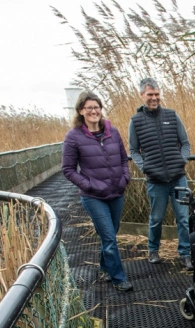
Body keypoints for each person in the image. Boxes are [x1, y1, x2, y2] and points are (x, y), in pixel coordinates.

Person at [62, 91, 133, 292]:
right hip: (94, 197)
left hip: (116, 192)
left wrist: (124, 178)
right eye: (89, 107)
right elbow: (67, 169)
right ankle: (119, 278)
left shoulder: (113, 132)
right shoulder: (74, 136)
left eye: (96, 107)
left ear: (101, 109)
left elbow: (122, 158)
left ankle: (104, 267)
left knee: (109, 235)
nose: (93, 111)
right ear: (81, 111)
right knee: (109, 237)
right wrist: (89, 185)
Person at [128, 77, 193, 270]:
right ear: (141, 95)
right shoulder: (136, 121)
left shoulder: (172, 116)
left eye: (157, 94)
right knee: (156, 218)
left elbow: (185, 143)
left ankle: (186, 253)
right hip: (155, 179)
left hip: (178, 177)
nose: (154, 98)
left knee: (182, 217)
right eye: (150, 95)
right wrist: (145, 167)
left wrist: (182, 160)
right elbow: (133, 150)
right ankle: (153, 249)